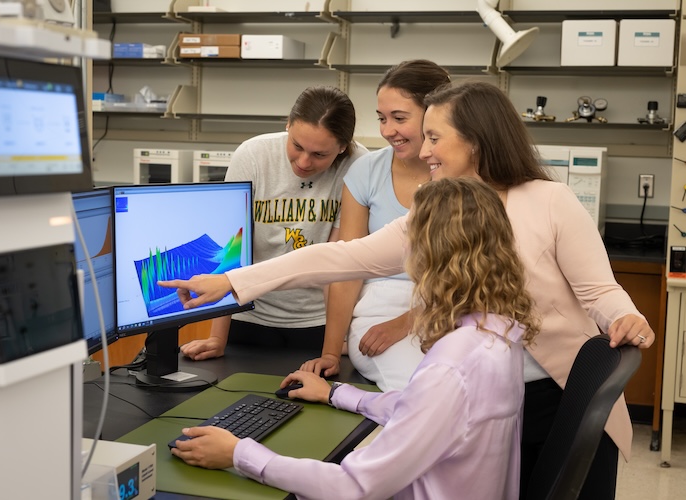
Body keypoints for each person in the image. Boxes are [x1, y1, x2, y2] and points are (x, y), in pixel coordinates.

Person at [159, 81, 656, 500]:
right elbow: (345, 256)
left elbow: (599, 292)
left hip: (558, 394)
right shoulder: (442, 211)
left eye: (435, 136)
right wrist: (232, 280)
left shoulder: (548, 200)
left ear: (477, 141)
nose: (423, 150)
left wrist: (623, 317)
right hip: (496, 400)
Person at [169, 178, 541, 499]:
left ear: (430, 251)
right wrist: (336, 394)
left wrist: (238, 454)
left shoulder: (452, 365)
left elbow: (354, 487)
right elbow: (426, 413)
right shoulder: (497, 331)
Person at [179, 86, 367, 361]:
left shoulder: (358, 165)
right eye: (297, 146)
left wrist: (334, 344)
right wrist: (217, 337)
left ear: (341, 147)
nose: (304, 162)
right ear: (288, 125)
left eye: (319, 155)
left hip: (320, 323)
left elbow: (337, 264)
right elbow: (233, 248)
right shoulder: (253, 155)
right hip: (249, 315)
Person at [301, 60, 450, 391]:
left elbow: (475, 272)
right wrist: (330, 352)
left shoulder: (461, 173)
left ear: (435, 114)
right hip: (380, 306)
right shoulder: (366, 172)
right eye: (382, 118)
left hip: (452, 306)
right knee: (422, 388)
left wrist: (407, 322)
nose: (387, 130)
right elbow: (347, 267)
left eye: (399, 118)